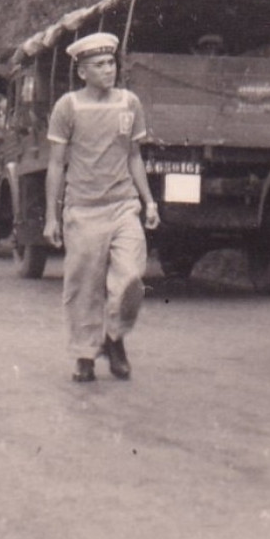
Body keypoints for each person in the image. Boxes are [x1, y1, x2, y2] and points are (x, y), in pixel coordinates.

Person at [43, 32, 160, 383]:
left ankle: (114, 337)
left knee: (131, 279)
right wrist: (52, 216)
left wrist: (149, 201)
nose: (108, 70)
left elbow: (135, 156)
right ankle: (84, 354)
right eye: (99, 65)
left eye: (111, 63)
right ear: (82, 72)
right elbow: (55, 164)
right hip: (83, 209)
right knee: (84, 286)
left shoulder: (129, 103)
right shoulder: (68, 107)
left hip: (124, 207)